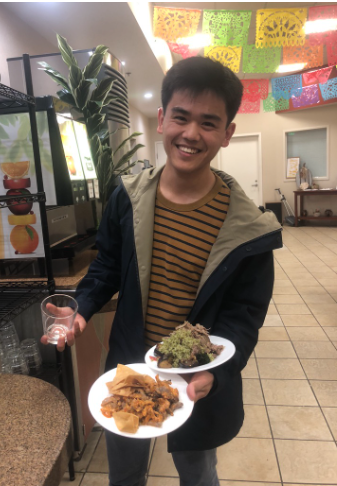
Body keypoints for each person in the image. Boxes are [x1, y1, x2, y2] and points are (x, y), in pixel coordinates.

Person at [42, 56, 282, 486]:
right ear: (162, 119)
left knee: (198, 472)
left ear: (227, 134)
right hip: (130, 369)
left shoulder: (248, 229)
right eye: (181, 117)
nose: (191, 134)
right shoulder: (128, 198)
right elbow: (107, 266)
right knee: (126, 473)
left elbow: (245, 314)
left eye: (209, 123)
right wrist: (81, 307)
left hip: (195, 381)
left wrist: (217, 370)